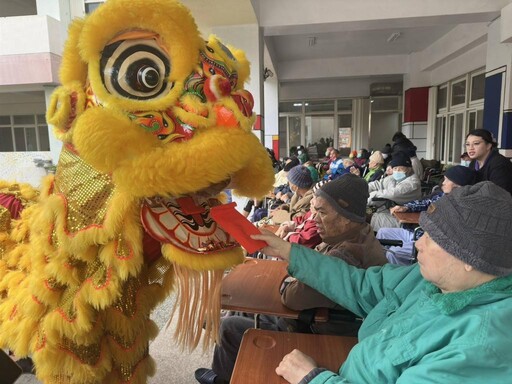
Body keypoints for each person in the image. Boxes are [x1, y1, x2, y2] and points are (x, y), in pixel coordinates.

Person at [253, 181, 512, 384]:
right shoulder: (431, 281)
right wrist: (287, 251)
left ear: (470, 258)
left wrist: (313, 378)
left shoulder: (478, 348)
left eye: (432, 238)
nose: (418, 243)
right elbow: (360, 284)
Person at [194, 174, 387, 384]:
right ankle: (229, 366)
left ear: (346, 217)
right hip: (319, 318)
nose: (314, 220)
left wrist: (290, 278)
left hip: (314, 331)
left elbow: (292, 298)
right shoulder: (360, 235)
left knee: (228, 327)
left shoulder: (346, 254)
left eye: (322, 212)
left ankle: (224, 377)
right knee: (236, 310)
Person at [377, 165, 477, 264]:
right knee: (382, 232)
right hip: (418, 233)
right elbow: (425, 202)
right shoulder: (442, 195)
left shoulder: (462, 204)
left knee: (394, 253)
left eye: (447, 180)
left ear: (457, 184)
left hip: (431, 242)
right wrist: (406, 207)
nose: (443, 183)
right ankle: (380, 266)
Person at [465, 128, 512, 194]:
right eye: (467, 144)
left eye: (476, 143)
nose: (470, 148)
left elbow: (499, 195)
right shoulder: (473, 163)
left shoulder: (499, 164)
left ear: (488, 146)